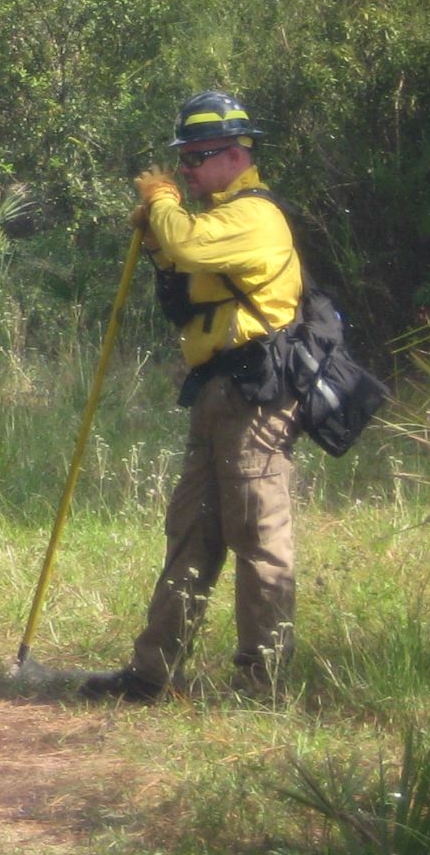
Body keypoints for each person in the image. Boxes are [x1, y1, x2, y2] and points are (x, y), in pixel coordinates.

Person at [81, 90, 304, 702]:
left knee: (258, 540)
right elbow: (181, 291)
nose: (184, 171)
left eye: (197, 158)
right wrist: (155, 241)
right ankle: (152, 675)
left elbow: (191, 246)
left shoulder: (253, 216)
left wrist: (162, 209)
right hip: (215, 393)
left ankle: (263, 686)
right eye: (181, 160)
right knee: (191, 534)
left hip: (257, 396)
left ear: (235, 155)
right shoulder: (215, 217)